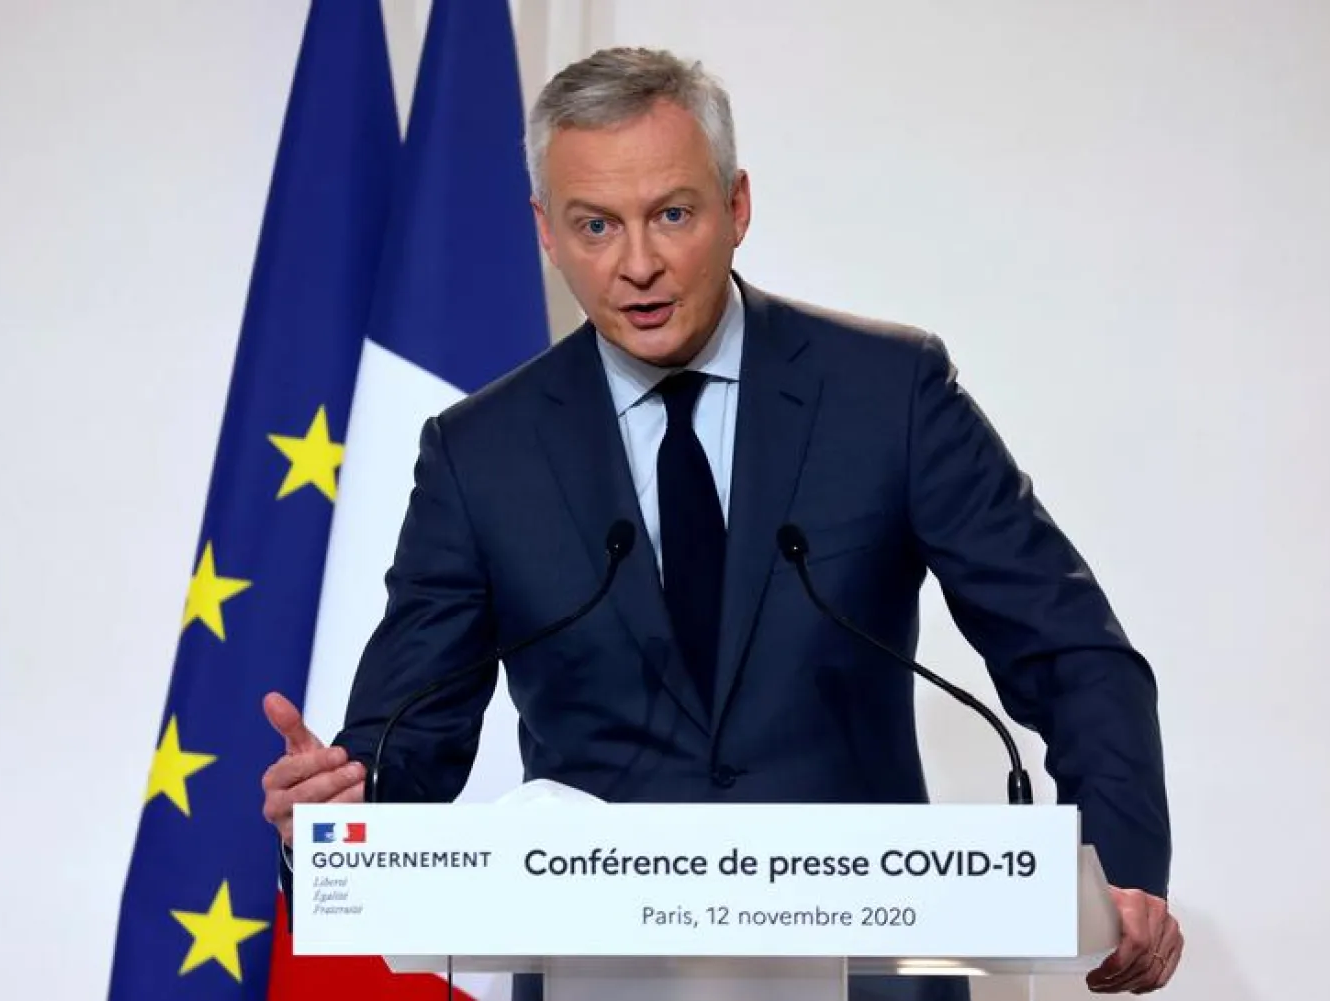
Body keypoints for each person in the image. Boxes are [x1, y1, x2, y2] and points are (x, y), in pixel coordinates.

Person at [261, 46, 1182, 998]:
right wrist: (336, 815)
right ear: (546, 231)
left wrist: (1116, 869)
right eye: (595, 225)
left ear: (736, 206)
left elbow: (1069, 648)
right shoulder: (479, 454)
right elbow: (404, 744)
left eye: (671, 213)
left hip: (866, 972)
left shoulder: (887, 394)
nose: (639, 263)